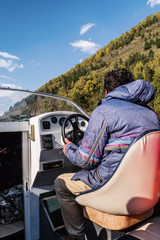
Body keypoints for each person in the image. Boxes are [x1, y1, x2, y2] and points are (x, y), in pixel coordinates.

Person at [54, 69, 160, 240]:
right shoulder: (151, 114)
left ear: (106, 91)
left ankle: (76, 235)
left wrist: (69, 149)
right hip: (147, 188)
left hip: (112, 184)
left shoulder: (104, 111)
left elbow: (85, 160)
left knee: (60, 184)